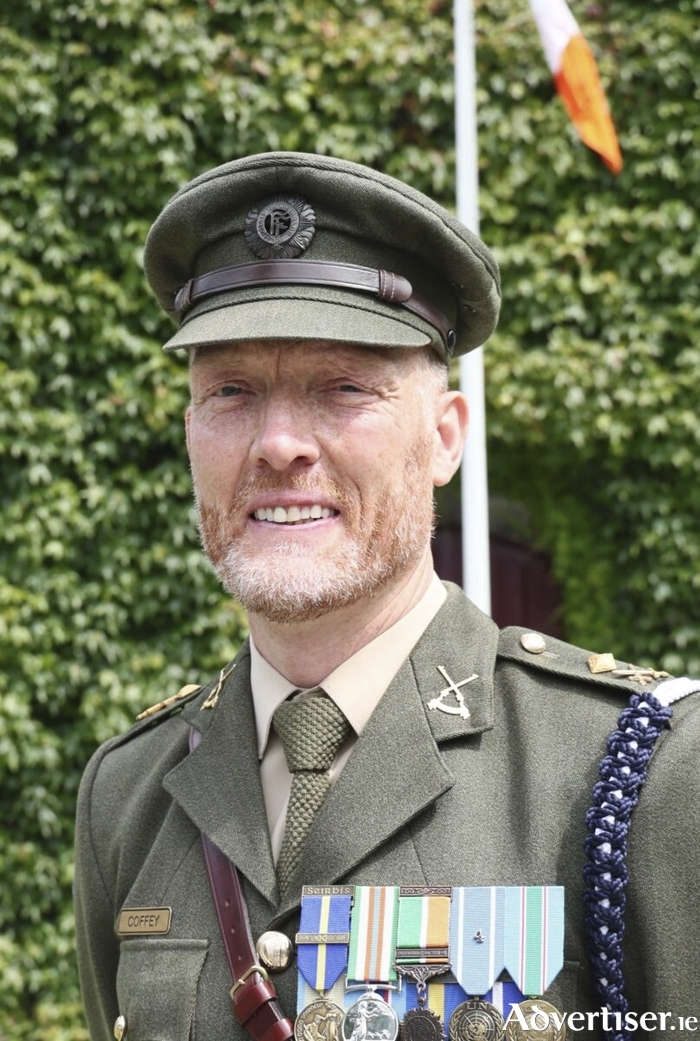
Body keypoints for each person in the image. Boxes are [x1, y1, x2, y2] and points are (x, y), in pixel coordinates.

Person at [74, 152, 700, 1041]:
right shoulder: (126, 794)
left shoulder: (640, 776)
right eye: (232, 391)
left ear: (445, 439)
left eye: (343, 388)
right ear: (190, 433)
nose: (279, 443)